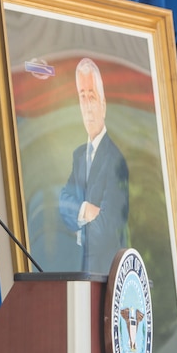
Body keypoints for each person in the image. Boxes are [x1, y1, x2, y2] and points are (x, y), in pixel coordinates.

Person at [58, 57, 129, 274]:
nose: (88, 106)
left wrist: (75, 231)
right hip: (79, 275)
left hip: (106, 276)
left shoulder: (116, 159)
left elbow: (107, 228)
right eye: (82, 97)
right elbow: (61, 201)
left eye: (92, 96)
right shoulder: (78, 155)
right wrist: (86, 209)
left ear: (103, 105)